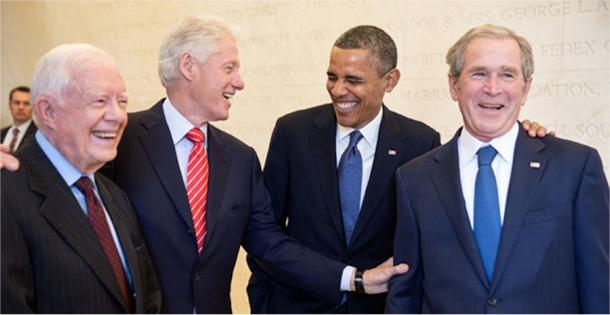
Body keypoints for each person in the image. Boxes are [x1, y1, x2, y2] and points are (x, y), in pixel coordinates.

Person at [99, 15, 407, 314]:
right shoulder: (121, 142)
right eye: (229, 68)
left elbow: (270, 245)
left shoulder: (238, 158)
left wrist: (355, 279)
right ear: (188, 66)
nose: (240, 82)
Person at [247, 25, 550, 314]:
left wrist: (519, 136)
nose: (338, 90)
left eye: (353, 80)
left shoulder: (420, 142)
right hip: (297, 304)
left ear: (390, 81)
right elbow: (264, 234)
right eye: (332, 77)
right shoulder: (293, 132)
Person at [385, 24, 609, 313]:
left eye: (507, 74)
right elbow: (405, 296)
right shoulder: (414, 178)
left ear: (525, 88)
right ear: (454, 85)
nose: (492, 88)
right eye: (479, 73)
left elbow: (600, 290)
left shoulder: (575, 167)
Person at [1, 44, 161, 313]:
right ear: (48, 111)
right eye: (100, 101)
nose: (118, 116)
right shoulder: (7, 193)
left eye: (122, 102)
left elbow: (147, 296)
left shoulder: (113, 195)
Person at [1, 86, 37, 152]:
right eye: (17, 103)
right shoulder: (1, 133)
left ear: (33, 107)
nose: (21, 107)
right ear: (10, 105)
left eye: (26, 103)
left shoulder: (39, 135)